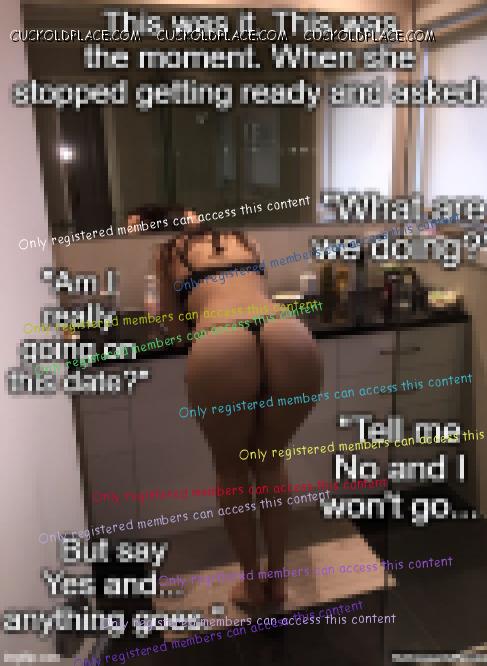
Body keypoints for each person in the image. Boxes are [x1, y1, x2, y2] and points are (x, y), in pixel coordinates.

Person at [151, 207, 322, 609]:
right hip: (288, 334)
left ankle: (251, 585)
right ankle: (277, 581)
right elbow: (256, 292)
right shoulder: (246, 241)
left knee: (231, 470)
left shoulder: (167, 254)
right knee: (270, 462)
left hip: (221, 339)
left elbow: (174, 330)